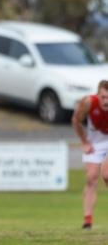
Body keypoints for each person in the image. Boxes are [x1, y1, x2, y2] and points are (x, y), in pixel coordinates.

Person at [72, 80, 108, 230]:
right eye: (103, 97)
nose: (106, 101)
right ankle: (87, 220)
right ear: (97, 95)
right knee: (91, 177)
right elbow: (76, 120)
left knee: (106, 174)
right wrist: (84, 141)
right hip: (95, 143)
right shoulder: (88, 102)